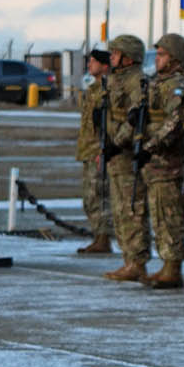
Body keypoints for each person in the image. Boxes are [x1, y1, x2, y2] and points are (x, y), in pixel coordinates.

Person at [136, 34, 184, 288]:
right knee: (159, 213)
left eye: (162, 55)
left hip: (170, 161)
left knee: (170, 214)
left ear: (175, 59)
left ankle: (172, 267)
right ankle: (166, 264)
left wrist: (150, 146)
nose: (157, 59)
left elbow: (174, 123)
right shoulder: (157, 83)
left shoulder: (178, 85)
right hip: (156, 162)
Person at [100, 34, 153, 282]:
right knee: (120, 209)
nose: (111, 58)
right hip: (114, 155)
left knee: (132, 208)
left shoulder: (137, 81)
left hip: (126, 153)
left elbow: (135, 118)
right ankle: (127, 259)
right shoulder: (114, 80)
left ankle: (137, 261)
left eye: (115, 53)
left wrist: (117, 141)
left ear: (128, 58)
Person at [76, 49, 114, 255]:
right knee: (90, 197)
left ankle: (103, 238)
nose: (89, 65)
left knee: (99, 196)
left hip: (99, 150)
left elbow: (108, 123)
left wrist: (103, 147)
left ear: (105, 66)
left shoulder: (109, 90)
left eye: (93, 62)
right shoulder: (92, 90)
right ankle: (98, 235)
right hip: (88, 149)